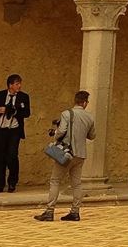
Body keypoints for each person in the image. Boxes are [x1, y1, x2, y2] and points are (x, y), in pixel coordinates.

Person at [34, 89, 94, 222]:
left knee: (55, 180)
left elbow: (61, 132)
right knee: (77, 184)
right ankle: (75, 211)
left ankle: (49, 211)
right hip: (80, 154)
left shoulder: (66, 114)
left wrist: (55, 134)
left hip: (67, 153)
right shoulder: (89, 117)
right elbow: (92, 135)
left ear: (76, 101)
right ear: (85, 103)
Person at [0, 73, 30, 193]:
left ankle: (12, 182)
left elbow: (27, 113)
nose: (19, 86)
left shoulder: (24, 97)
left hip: (14, 130)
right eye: (17, 84)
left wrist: (15, 111)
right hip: (0, 130)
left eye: (20, 84)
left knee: (12, 156)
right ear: (10, 85)